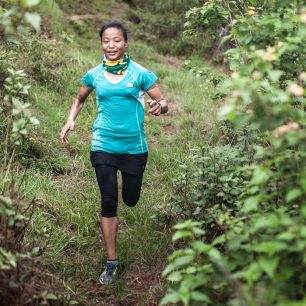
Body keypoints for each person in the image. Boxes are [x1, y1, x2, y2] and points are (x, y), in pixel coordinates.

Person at [60, 20, 168, 284]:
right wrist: (71, 119)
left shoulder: (140, 73)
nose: (111, 45)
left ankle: (130, 194)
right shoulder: (94, 74)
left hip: (134, 147)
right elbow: (80, 97)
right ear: (102, 43)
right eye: (106, 40)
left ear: (125, 43)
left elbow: (162, 100)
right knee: (108, 199)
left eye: (116, 40)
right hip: (103, 143)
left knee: (130, 199)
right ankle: (112, 262)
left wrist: (160, 106)